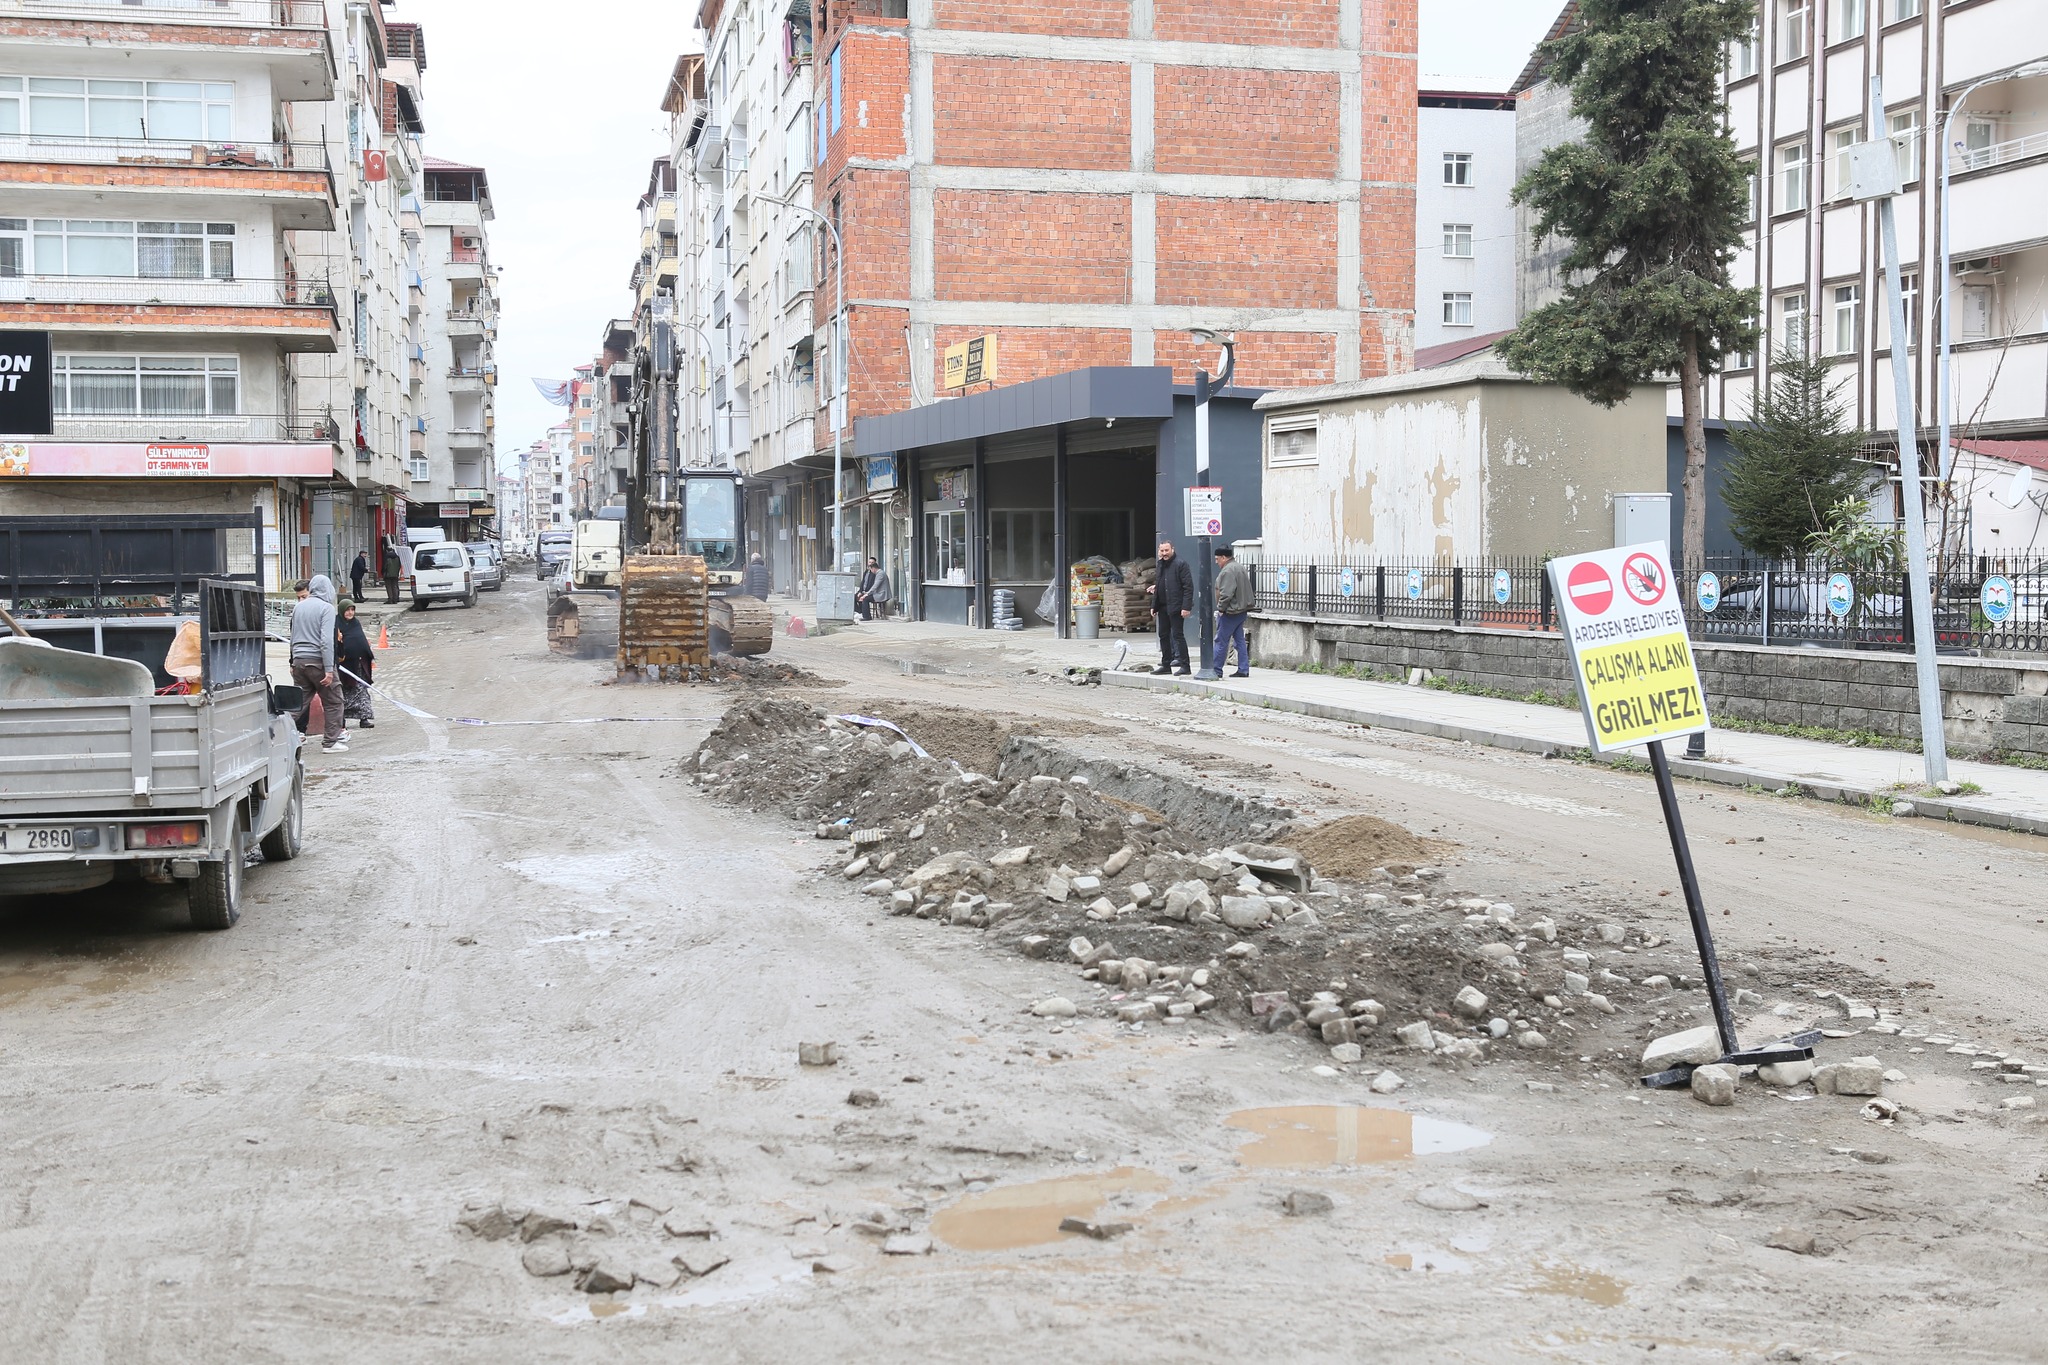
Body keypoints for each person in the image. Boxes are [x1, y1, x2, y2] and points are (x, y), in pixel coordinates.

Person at [290, 574, 346, 753]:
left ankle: (278, 736)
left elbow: (292, 636)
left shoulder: (298, 607)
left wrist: (293, 661)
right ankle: (330, 742)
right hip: (319, 662)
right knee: (334, 701)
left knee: (297, 704)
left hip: (299, 662)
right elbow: (326, 641)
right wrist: (329, 670)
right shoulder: (327, 608)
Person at [1147, 539, 1193, 675]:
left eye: (1167, 550)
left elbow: (1188, 587)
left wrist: (1186, 607)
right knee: (1163, 635)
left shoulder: (1180, 564)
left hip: (1177, 606)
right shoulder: (1161, 564)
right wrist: (1154, 606)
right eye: (1162, 550)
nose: (1164, 553)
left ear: (1172, 549)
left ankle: (1185, 666)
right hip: (1163, 606)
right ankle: (1166, 664)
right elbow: (1160, 584)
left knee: (1178, 635)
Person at [1212, 546, 1253, 678]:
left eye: (1217, 559)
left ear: (1224, 557)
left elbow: (1226, 593)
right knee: (1239, 640)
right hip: (1241, 610)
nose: (1216, 562)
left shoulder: (1227, 571)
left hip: (1231, 611)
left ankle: (1216, 670)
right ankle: (1243, 669)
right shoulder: (1239, 567)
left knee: (1221, 640)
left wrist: (1221, 609)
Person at [335, 601, 376, 730]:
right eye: (347, 610)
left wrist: (368, 655)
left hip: (359, 663)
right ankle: (342, 722)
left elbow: (360, 639)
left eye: (352, 610)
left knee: (362, 690)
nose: (350, 613)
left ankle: (364, 718)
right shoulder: (336, 623)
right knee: (344, 692)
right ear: (342, 610)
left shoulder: (356, 623)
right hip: (344, 666)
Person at [380, 539, 403, 604]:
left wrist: (383, 572)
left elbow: (385, 566)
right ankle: (396, 599)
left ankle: (390, 599)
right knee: (395, 586)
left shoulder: (386, 557)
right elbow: (399, 565)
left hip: (388, 574)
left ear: (387, 550)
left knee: (389, 587)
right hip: (395, 574)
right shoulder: (397, 557)